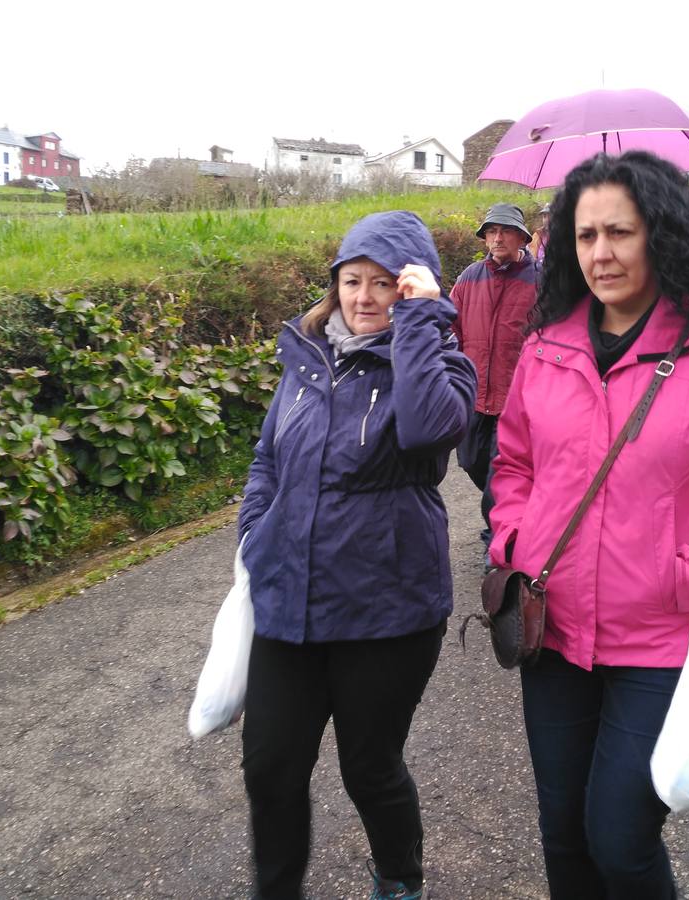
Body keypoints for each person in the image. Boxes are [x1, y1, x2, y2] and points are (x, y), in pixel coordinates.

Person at [488, 150, 689, 900]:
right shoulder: (547, 344)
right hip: (551, 625)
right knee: (562, 832)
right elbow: (514, 463)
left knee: (619, 841)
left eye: (619, 232)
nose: (601, 253)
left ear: (660, 234)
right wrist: (514, 541)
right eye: (586, 235)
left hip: (661, 637)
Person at [236, 210, 477, 900]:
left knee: (369, 767)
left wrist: (424, 321)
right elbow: (268, 458)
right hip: (291, 597)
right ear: (334, 284)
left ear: (409, 291)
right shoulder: (305, 359)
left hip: (387, 607)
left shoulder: (439, 364)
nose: (364, 296)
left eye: (383, 284)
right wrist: (257, 531)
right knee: (270, 766)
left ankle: (400, 879)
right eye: (351, 280)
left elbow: (433, 429)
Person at [450, 203, 538, 558]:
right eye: (491, 232)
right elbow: (451, 326)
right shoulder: (470, 277)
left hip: (515, 398)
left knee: (499, 477)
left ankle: (499, 540)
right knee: (471, 461)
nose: (497, 238)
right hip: (474, 394)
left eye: (505, 231)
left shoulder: (539, 279)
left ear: (521, 236)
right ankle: (509, 519)